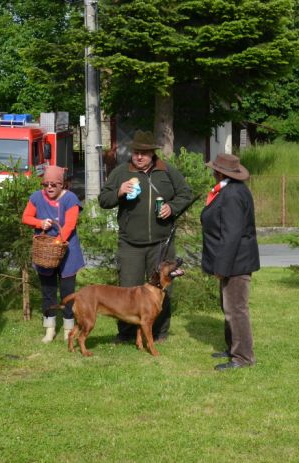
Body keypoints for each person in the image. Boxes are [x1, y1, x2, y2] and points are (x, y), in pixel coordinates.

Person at [98, 130, 194, 343]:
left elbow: (186, 193)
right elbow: (103, 200)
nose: (139, 156)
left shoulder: (167, 171)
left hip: (161, 244)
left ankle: (160, 333)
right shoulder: (121, 172)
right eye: (136, 152)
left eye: (144, 152)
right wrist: (119, 192)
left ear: (153, 153)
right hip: (130, 244)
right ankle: (126, 334)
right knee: (126, 290)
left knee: (163, 289)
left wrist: (172, 207)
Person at [200, 153, 260, 371]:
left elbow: (232, 234)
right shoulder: (229, 191)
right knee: (229, 306)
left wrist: (221, 267)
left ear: (218, 172)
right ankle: (232, 347)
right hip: (233, 260)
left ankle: (243, 357)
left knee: (236, 309)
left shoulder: (232, 195)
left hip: (236, 262)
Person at [22, 165, 85, 343]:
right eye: (46, 184)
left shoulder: (70, 199)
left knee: (67, 292)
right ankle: (49, 329)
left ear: (62, 184)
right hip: (45, 252)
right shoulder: (36, 197)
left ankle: (68, 328)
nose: (49, 188)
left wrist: (58, 241)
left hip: (68, 251)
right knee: (48, 291)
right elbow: (26, 217)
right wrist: (40, 223)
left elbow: (70, 224)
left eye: (54, 184)